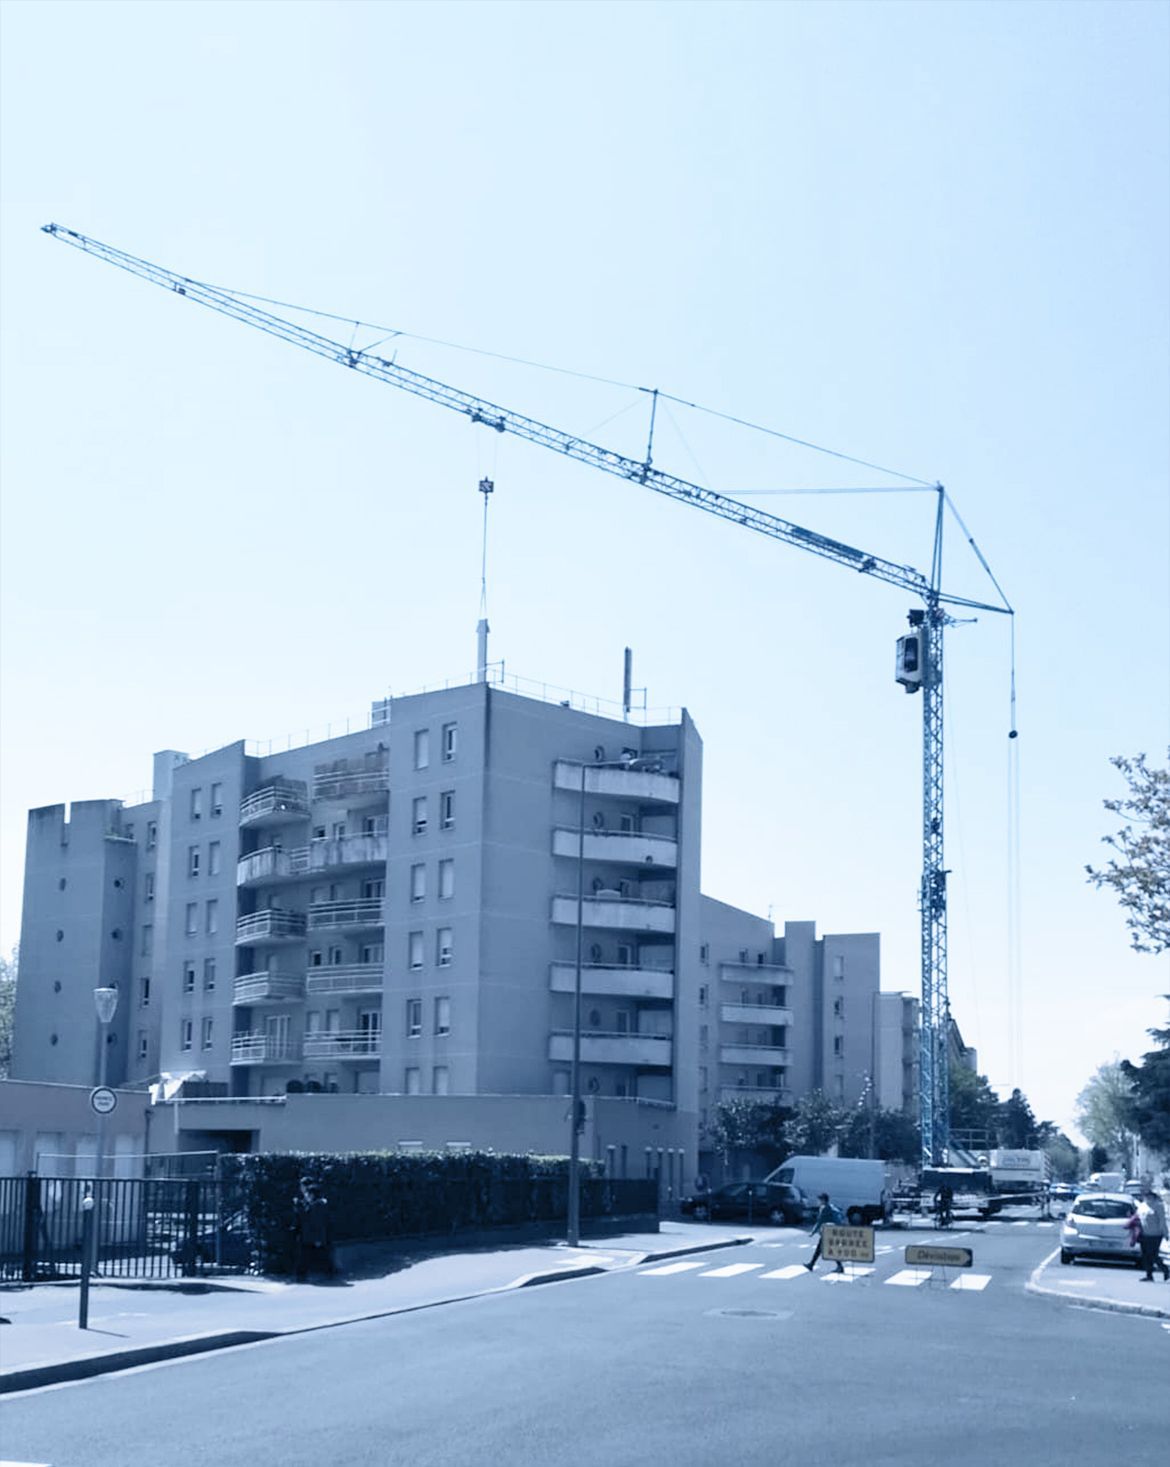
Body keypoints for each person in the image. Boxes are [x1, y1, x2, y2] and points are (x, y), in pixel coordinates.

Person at [293, 1178, 335, 1281]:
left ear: (312, 1195)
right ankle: (303, 1275)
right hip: (308, 1235)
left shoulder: (318, 1206)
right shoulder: (313, 1205)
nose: (306, 1196)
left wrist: (319, 1238)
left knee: (313, 1256)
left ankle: (328, 1272)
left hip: (313, 1236)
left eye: (308, 1194)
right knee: (310, 1256)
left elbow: (317, 1223)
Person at [1134, 1183, 1169, 1282]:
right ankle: (1149, 1275)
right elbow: (1137, 1218)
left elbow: (1162, 1220)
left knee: (1153, 1254)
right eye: (1146, 1196)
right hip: (1144, 1234)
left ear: (1153, 1196)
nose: (1147, 1197)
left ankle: (1165, 1270)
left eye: (1149, 1196)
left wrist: (1166, 1233)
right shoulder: (1142, 1206)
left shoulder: (1158, 1206)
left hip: (1156, 1234)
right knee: (1145, 1255)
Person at [805, 1192, 844, 1274]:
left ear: (823, 1200)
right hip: (832, 1231)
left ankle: (839, 1266)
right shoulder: (830, 1207)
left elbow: (820, 1222)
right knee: (821, 1248)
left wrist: (812, 1232)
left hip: (830, 1232)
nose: (817, 1201)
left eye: (819, 1200)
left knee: (826, 1248)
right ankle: (811, 1264)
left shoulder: (825, 1209)